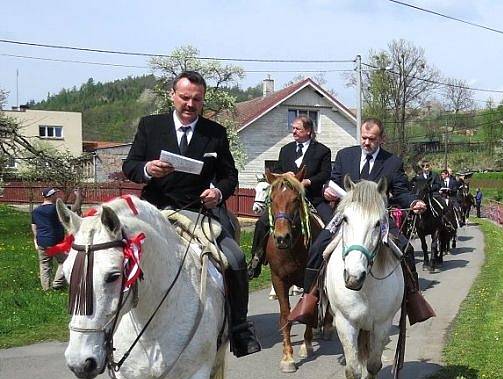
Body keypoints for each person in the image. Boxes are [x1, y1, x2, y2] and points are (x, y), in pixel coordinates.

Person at [122, 70, 260, 358]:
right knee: (115, 257)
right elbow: (130, 165)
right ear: (172, 96)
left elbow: (229, 176)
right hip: (154, 211)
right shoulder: (151, 126)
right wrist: (148, 169)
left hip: (197, 212)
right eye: (184, 97)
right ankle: (110, 324)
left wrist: (218, 193)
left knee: (234, 258)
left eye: (196, 99)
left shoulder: (215, 133)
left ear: (203, 100)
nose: (189, 104)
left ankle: (239, 329)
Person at [288, 117, 435, 326]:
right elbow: (333, 181)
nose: (367, 143)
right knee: (317, 248)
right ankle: (310, 300)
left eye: (372, 139)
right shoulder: (345, 155)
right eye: (364, 138)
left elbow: (401, 191)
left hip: (378, 219)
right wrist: (327, 191)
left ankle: (412, 299)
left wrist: (414, 202)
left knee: (407, 249)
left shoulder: (392, 162)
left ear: (381, 139)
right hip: (345, 217)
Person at [247, 115, 332, 279]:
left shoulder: (322, 151)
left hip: (311, 198)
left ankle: (329, 261)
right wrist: (283, 174)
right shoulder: (285, 150)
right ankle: (256, 259)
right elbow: (277, 170)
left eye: (297, 128)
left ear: (308, 131)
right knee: (262, 222)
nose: (293, 131)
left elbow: (325, 174)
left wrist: (308, 181)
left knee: (331, 224)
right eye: (293, 128)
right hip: (286, 201)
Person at [31, 187, 67, 291]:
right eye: (55, 194)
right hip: (55, 242)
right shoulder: (56, 209)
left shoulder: (36, 211)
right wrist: (78, 197)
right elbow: (73, 210)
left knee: (44, 265)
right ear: (51, 196)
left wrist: (36, 240)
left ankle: (46, 289)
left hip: (41, 241)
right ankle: (57, 283)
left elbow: (34, 226)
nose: (57, 196)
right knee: (65, 261)